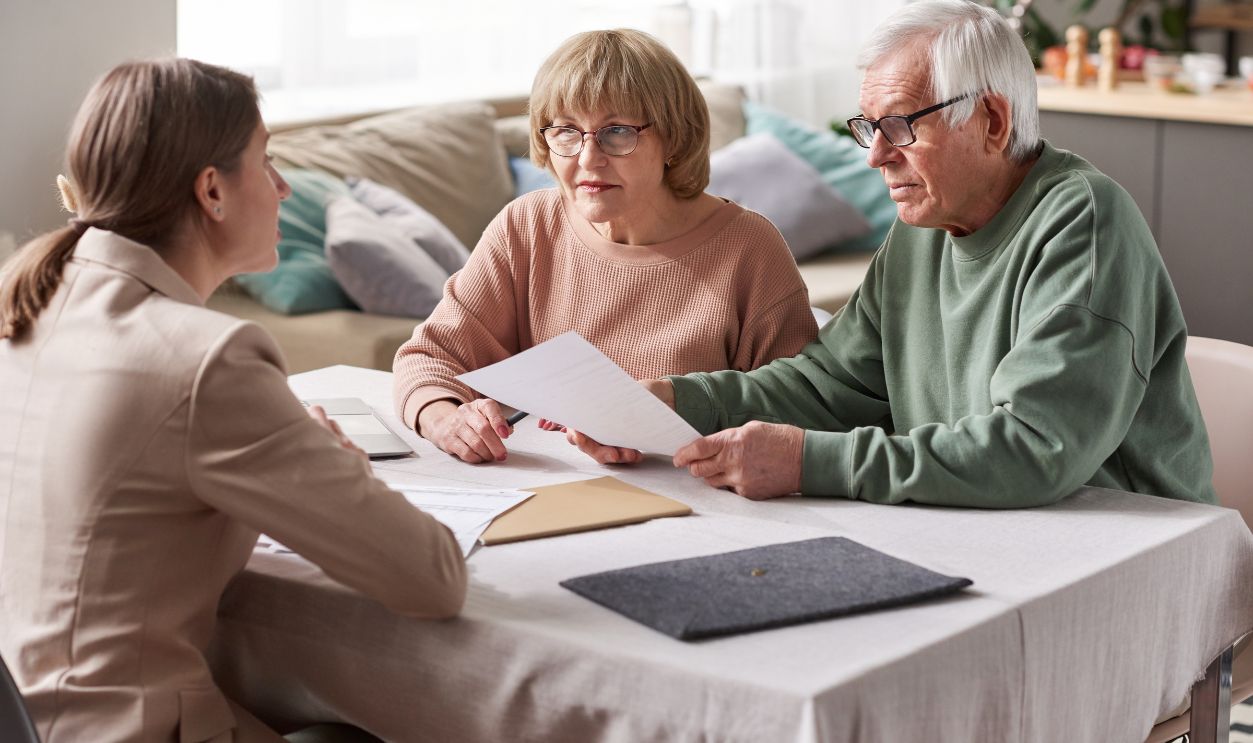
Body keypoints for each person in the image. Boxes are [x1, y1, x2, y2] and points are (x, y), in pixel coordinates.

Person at [573, 0, 1216, 508]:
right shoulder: (923, 227)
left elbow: (1035, 446)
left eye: (901, 125)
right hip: (994, 528)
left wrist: (807, 462)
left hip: (1125, 544)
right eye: (868, 128)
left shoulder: (1083, 221)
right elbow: (830, 385)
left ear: (992, 121)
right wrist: (670, 403)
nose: (877, 155)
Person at [0, 59, 466, 743]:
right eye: (267, 159)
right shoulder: (209, 358)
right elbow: (431, 578)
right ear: (212, 191)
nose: (282, 186)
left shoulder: (29, 299)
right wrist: (338, 462)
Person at [393, 29, 818, 465]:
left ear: (673, 138)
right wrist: (444, 419)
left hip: (699, 499)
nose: (588, 159)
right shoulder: (527, 226)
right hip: (546, 489)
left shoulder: (749, 248)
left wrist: (656, 426)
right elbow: (429, 357)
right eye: (566, 131)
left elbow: (801, 407)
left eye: (616, 133)